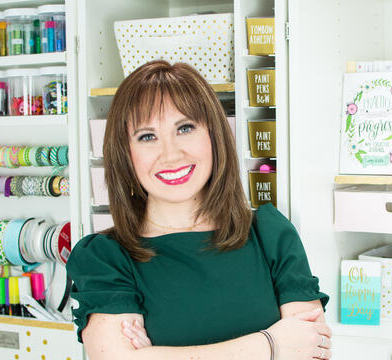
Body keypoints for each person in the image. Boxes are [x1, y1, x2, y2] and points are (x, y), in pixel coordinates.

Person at [66, 60, 332, 360]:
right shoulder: (105, 258)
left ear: (213, 135)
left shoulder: (270, 235)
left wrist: (157, 355)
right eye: (147, 136)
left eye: (185, 128)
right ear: (125, 155)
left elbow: (310, 350)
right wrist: (272, 344)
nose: (171, 153)